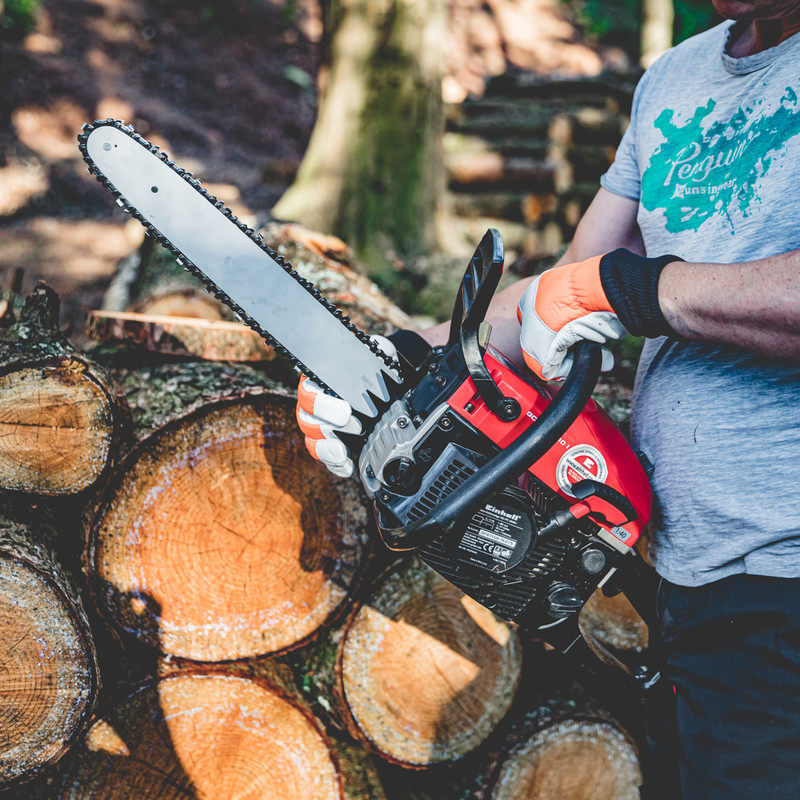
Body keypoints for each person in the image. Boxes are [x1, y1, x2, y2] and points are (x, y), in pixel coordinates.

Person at [297, 2, 800, 796]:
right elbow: (568, 287)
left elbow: (615, 287)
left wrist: (632, 292)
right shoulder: (677, 76)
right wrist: (403, 362)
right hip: (684, 572)